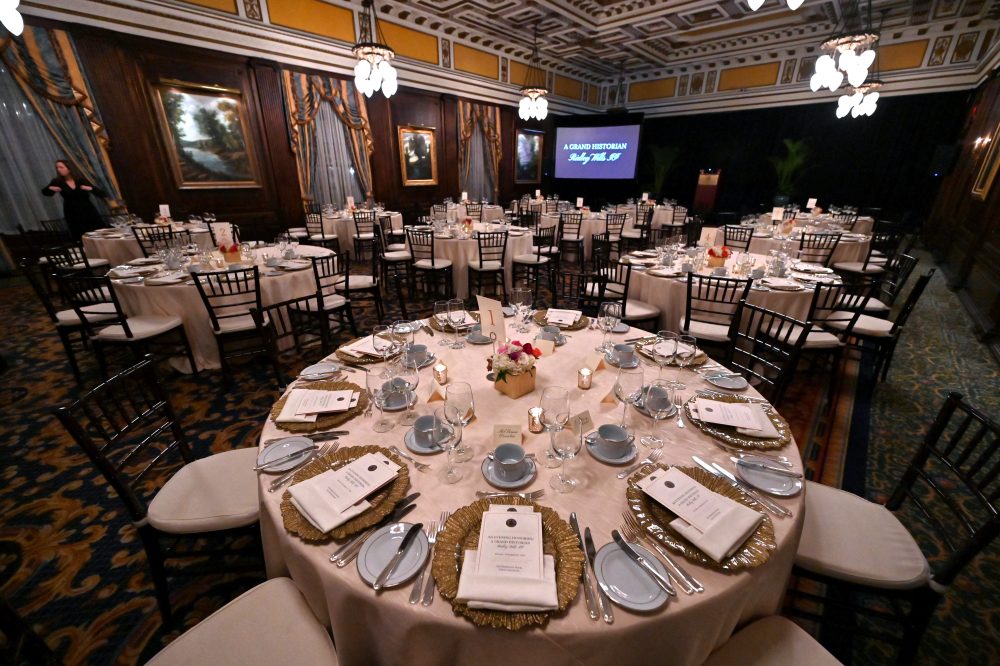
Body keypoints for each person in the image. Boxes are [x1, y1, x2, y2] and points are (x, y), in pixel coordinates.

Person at [41, 159, 106, 238]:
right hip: (71, 211)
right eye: (57, 167)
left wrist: (90, 189)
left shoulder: (80, 180)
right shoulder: (57, 181)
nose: (58, 169)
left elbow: (102, 194)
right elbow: (46, 193)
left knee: (96, 233)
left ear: (69, 169)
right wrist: (50, 188)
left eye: (61, 167)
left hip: (88, 210)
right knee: (79, 234)